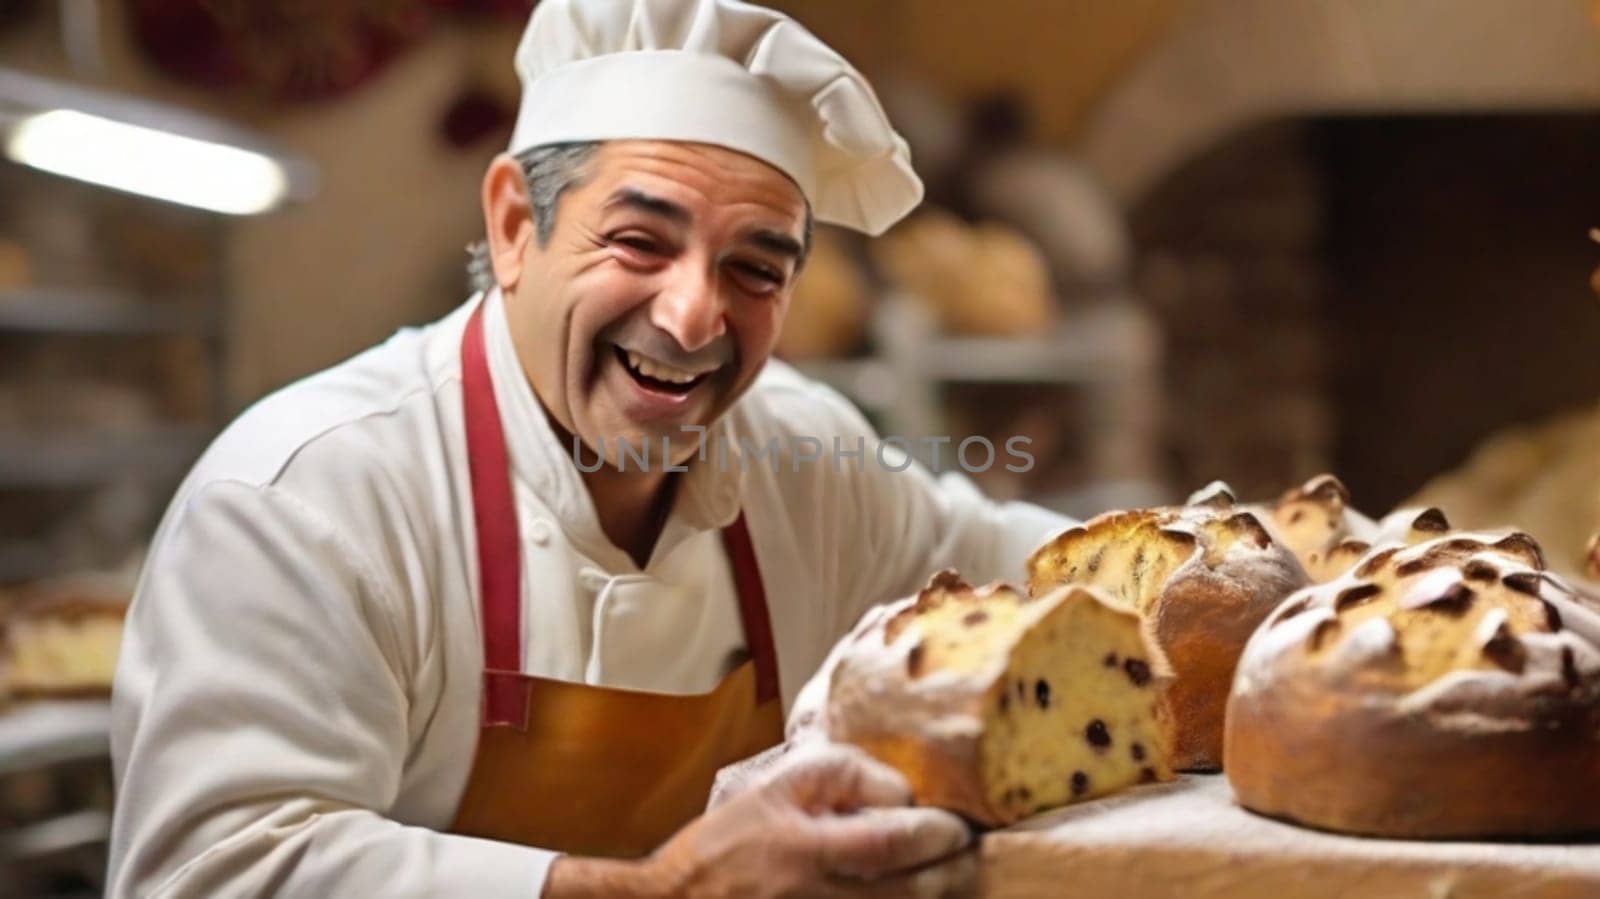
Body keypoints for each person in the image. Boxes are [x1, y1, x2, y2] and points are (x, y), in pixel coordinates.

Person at [107, 1, 1070, 895]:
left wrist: (1211, 566)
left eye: (754, 268)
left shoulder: (800, 455)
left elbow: (1024, 575)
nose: (694, 316)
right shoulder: (308, 497)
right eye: (639, 242)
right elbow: (212, 869)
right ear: (517, 225)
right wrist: (660, 890)